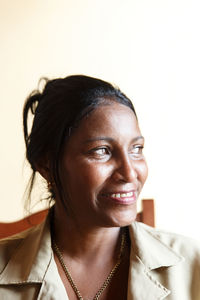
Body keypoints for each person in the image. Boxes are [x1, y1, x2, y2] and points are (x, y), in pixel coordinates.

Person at [0, 75, 199, 300]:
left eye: (137, 148)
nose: (129, 172)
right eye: (101, 150)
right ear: (46, 165)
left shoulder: (193, 263)